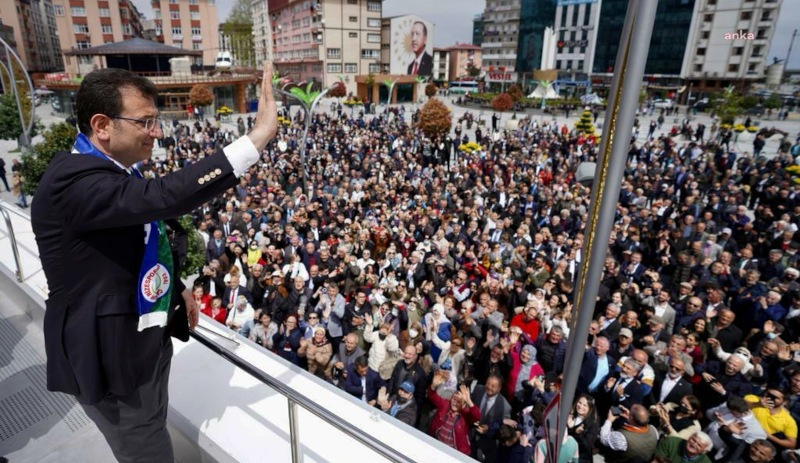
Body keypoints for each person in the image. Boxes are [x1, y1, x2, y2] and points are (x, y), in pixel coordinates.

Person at [30, 64, 277, 462]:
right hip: (111, 358)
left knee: (151, 425)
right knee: (146, 448)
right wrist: (257, 138)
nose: (157, 132)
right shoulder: (74, 182)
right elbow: (164, 197)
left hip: (142, 339)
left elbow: (136, 243)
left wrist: (176, 287)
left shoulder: (109, 171)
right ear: (102, 125)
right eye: (145, 122)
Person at [429, 377, 480, 455]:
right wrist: (433, 385)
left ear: (463, 404)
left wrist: (468, 401)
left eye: (458, 401)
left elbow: (477, 416)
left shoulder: (465, 414)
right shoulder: (445, 405)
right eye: (454, 399)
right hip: (437, 447)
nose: (455, 403)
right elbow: (432, 396)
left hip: (453, 453)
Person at [567, 394, 600, 463]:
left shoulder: (593, 423)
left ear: (590, 408)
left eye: (585, 405)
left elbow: (587, 445)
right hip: (566, 454)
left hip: (580, 458)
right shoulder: (571, 416)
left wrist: (578, 434)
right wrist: (569, 428)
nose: (580, 406)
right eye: (579, 402)